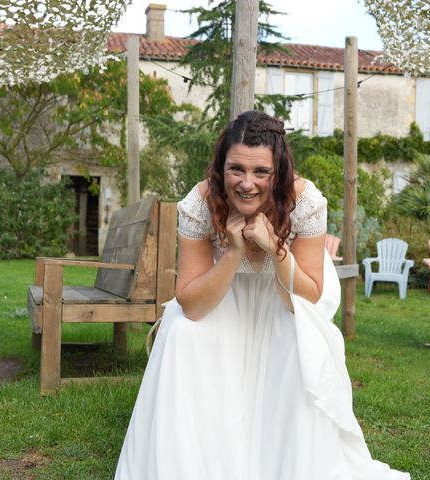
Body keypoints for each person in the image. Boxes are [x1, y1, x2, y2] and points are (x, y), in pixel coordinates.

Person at [115, 110, 410, 480]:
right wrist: (234, 252)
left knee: (298, 339)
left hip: (287, 296)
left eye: (261, 172)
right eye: (236, 169)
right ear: (220, 168)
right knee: (183, 334)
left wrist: (275, 248)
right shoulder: (201, 202)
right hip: (221, 295)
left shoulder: (305, 202)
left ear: (279, 172)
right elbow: (191, 305)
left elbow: (304, 300)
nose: (247, 184)